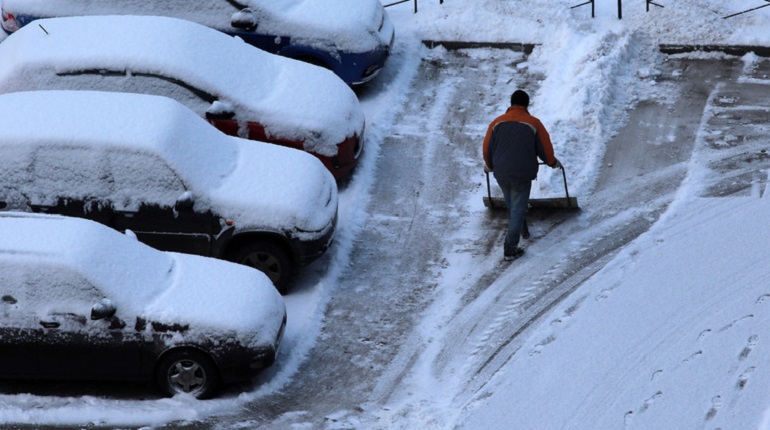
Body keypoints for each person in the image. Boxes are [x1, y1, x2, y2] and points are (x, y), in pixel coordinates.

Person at [482, 89, 561, 261]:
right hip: (522, 172)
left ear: (511, 104)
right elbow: (545, 149)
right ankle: (510, 248)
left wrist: (489, 165)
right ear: (527, 104)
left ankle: (523, 229)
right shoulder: (533, 123)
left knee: (513, 204)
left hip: (501, 172)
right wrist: (552, 162)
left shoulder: (496, 123)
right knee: (518, 207)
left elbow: (487, 147)